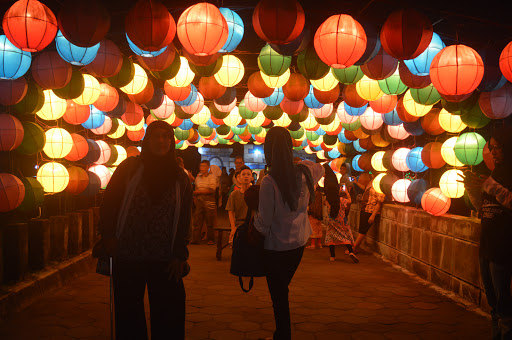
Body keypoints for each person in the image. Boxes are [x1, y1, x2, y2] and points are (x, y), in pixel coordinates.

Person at [97, 121, 192, 340]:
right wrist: (109, 235)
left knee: (169, 316)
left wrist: (180, 254)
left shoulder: (180, 178)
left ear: (172, 141)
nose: (161, 141)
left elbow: (185, 218)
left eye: (166, 136)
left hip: (165, 257)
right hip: (128, 254)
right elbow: (110, 203)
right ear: (146, 141)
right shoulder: (129, 169)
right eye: (156, 136)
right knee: (129, 316)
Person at [254, 127, 324, 340]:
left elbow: (264, 221)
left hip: (275, 246)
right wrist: (297, 162)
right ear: (290, 146)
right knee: (282, 291)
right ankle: (281, 333)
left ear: (269, 150)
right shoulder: (306, 171)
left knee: (279, 295)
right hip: (298, 243)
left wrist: (250, 228)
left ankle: (283, 335)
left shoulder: (269, 180)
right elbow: (320, 168)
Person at [464, 127, 512, 340]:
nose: (493, 152)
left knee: (504, 305)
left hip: (504, 247)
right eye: (491, 148)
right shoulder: (494, 173)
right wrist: (473, 189)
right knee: (493, 303)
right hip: (486, 245)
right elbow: (484, 208)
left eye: (497, 147)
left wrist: (490, 186)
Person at [322, 165, 357, 263]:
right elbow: (349, 201)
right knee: (345, 236)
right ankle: (350, 251)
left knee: (331, 237)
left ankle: (332, 256)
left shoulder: (328, 201)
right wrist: (346, 192)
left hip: (332, 221)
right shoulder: (341, 200)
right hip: (342, 221)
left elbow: (324, 202)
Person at [352, 174, 385, 253]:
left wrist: (373, 215)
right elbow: (365, 189)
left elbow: (379, 202)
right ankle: (356, 247)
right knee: (361, 229)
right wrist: (356, 183)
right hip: (364, 208)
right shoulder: (372, 182)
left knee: (363, 230)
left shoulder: (380, 186)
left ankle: (354, 248)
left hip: (370, 210)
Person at [192, 160, 217, 245]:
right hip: (199, 200)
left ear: (208, 167)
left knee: (209, 221)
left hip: (209, 200)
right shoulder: (198, 177)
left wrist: (199, 192)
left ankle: (211, 239)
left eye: (204, 166)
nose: (201, 168)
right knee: (197, 220)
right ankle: (195, 239)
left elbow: (212, 190)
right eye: (201, 166)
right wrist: (196, 196)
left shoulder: (212, 177)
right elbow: (196, 187)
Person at [226, 166, 253, 243]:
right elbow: (230, 211)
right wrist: (233, 227)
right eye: (243, 174)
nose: (246, 176)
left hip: (253, 225)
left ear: (252, 177)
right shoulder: (234, 194)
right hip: (239, 224)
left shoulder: (256, 193)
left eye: (248, 174)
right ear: (239, 178)